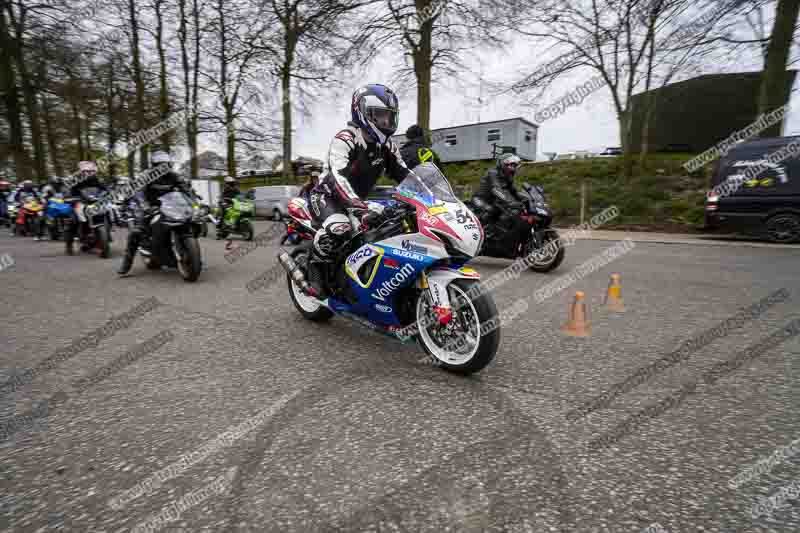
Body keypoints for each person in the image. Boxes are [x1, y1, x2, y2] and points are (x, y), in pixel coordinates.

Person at [306, 83, 412, 297]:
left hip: (357, 200)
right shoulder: (345, 139)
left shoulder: (387, 145)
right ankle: (314, 274)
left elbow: (406, 175)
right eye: (380, 115)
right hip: (327, 197)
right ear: (363, 112)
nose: (386, 122)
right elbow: (337, 177)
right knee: (340, 228)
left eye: (389, 116)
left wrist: (433, 197)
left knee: (390, 224)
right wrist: (359, 208)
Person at [117, 150, 192, 275]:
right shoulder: (146, 176)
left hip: (171, 206)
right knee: (136, 232)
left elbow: (186, 189)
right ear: (154, 166)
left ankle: (191, 255)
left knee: (190, 222)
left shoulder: (174, 176)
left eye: (166, 165)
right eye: (160, 165)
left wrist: (193, 200)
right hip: (151, 207)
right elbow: (139, 192)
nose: (163, 168)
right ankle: (127, 263)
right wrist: (145, 206)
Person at [476, 153, 529, 252]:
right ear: (503, 164)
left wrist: (527, 199)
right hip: (481, 200)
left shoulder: (507, 176)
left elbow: (513, 191)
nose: (513, 168)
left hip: (494, 200)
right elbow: (496, 189)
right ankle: (485, 237)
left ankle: (502, 238)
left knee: (507, 213)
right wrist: (510, 202)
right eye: (511, 165)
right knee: (491, 211)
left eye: (515, 165)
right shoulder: (493, 173)